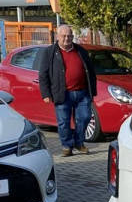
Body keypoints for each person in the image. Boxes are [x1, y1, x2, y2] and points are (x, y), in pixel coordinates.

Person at [35, 25, 98, 157]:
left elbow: (90, 71)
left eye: (69, 36)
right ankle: (67, 146)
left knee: (85, 117)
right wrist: (45, 94)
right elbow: (43, 74)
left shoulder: (81, 51)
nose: (66, 38)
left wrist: (93, 91)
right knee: (63, 122)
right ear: (57, 37)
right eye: (63, 36)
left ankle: (78, 142)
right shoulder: (50, 52)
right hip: (62, 93)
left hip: (82, 93)